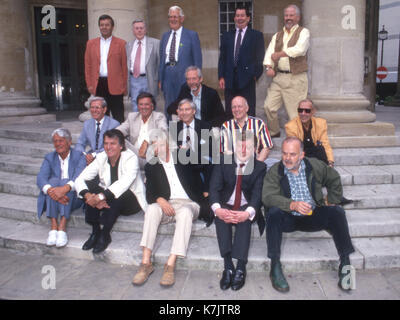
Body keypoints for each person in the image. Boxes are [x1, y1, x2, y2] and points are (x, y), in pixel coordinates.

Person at [262, 137, 355, 293]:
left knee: (337, 212)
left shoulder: (315, 165)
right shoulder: (275, 171)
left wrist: (332, 200)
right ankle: (275, 266)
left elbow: (334, 178)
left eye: (292, 154)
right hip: (288, 218)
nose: (287, 158)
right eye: (284, 153)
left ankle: (345, 263)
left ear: (301, 155)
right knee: (273, 213)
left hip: (312, 215)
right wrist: (291, 204)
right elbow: (267, 196)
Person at [132, 130, 208, 287]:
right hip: (168, 205)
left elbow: (205, 164)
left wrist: (207, 189)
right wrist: (160, 199)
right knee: (152, 209)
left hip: (188, 203)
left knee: (186, 213)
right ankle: (146, 263)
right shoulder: (151, 167)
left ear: (168, 144)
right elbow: (150, 194)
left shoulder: (182, 158)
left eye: (161, 144)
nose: (158, 148)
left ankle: (170, 264)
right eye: (154, 145)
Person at [209, 131, 266, 291]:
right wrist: (217, 209)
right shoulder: (224, 161)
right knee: (221, 218)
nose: (243, 149)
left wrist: (248, 212)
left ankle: (241, 266)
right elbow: (214, 188)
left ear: (255, 149)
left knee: (244, 221)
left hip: (246, 205)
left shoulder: (260, 167)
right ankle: (228, 265)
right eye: (240, 145)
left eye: (247, 146)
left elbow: (257, 194)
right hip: (226, 203)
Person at [75, 129, 147, 254]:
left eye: (112, 143)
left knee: (117, 195)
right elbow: (80, 179)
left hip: (130, 200)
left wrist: (100, 197)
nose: (108, 147)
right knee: (91, 189)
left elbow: (124, 183)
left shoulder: (131, 158)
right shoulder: (101, 157)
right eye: (106, 143)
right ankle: (96, 231)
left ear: (121, 146)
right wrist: (89, 196)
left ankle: (105, 233)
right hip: (108, 196)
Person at [285, 99, 353, 205]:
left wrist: (330, 162)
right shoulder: (290, 126)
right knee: (311, 167)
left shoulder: (321, 123)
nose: (303, 113)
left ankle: (336, 196)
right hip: (302, 153)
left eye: (307, 111)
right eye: (300, 110)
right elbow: (295, 148)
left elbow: (325, 143)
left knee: (327, 164)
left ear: (313, 111)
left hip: (317, 152)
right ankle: (318, 198)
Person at [263, 4, 310, 137]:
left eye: (291, 15)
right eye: (286, 15)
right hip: (279, 78)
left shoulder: (304, 32)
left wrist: (280, 54)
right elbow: (269, 53)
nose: (288, 18)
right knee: (268, 106)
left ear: (298, 17)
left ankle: (296, 140)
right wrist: (269, 67)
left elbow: (300, 49)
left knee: (295, 114)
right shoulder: (278, 35)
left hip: (296, 78)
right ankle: (274, 131)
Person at [37, 128, 86, 248]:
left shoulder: (80, 156)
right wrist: (52, 191)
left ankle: (62, 227)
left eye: (61, 140)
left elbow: (78, 178)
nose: (58, 144)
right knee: (52, 182)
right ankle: (54, 227)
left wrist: (64, 189)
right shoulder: (50, 157)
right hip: (55, 195)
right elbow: (41, 178)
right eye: (55, 141)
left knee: (65, 182)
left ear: (69, 142)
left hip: (74, 198)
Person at [218, 5, 265, 118]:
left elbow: (260, 58)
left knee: (248, 109)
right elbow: (222, 58)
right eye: (237, 16)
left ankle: (248, 134)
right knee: (231, 109)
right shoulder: (226, 35)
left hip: (247, 80)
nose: (240, 18)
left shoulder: (256, 35)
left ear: (248, 18)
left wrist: (255, 75)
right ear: (234, 18)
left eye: (242, 15)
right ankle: (231, 134)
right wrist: (221, 76)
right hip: (229, 80)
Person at [174, 99, 214, 224]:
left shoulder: (205, 126)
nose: (184, 112)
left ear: (194, 111)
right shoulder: (174, 128)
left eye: (187, 109)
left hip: (201, 161)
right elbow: (173, 150)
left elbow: (208, 150)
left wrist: (190, 153)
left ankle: (206, 194)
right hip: (183, 164)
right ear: (178, 112)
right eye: (181, 110)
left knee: (209, 161)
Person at [159, 6, 202, 117]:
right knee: (170, 106)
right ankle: (172, 132)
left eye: (175, 17)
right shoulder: (164, 36)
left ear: (182, 18)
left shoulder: (192, 35)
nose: (173, 19)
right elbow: (162, 60)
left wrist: (197, 78)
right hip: (168, 74)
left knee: (185, 105)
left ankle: (186, 132)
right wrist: (160, 79)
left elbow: (197, 58)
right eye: (170, 17)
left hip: (184, 75)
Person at [84, 14, 127, 123]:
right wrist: (89, 84)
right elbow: (87, 65)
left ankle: (119, 138)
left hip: (116, 85)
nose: (104, 27)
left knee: (118, 116)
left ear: (112, 27)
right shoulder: (91, 44)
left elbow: (124, 66)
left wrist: (125, 86)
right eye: (102, 25)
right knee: (100, 117)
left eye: (107, 25)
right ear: (99, 26)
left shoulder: (121, 43)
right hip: (99, 84)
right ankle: (103, 139)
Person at [116, 92, 168, 168]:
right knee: (116, 139)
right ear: (137, 106)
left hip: (150, 156)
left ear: (152, 106)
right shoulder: (132, 117)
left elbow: (163, 131)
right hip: (134, 154)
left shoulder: (158, 117)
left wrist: (147, 140)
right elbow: (120, 130)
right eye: (141, 104)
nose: (143, 107)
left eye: (146, 104)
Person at [220, 96, 273, 162]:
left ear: (247, 108)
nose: (237, 109)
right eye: (234, 107)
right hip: (234, 165)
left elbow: (266, 148)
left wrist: (257, 166)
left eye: (240, 106)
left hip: (256, 162)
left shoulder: (259, 124)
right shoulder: (226, 126)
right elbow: (224, 152)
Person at [75, 96, 120, 165]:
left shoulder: (113, 124)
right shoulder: (87, 124)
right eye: (92, 108)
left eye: (97, 108)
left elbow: (111, 147)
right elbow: (80, 143)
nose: (94, 110)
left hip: (107, 157)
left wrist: (94, 155)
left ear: (104, 110)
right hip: (90, 157)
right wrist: (85, 155)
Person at [126, 19, 160, 112]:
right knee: (135, 105)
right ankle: (138, 126)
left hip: (149, 79)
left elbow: (159, 64)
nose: (139, 30)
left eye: (141, 28)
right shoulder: (128, 45)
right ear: (133, 31)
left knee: (150, 105)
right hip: (134, 79)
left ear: (145, 30)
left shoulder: (156, 43)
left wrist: (158, 80)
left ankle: (150, 126)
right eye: (137, 28)